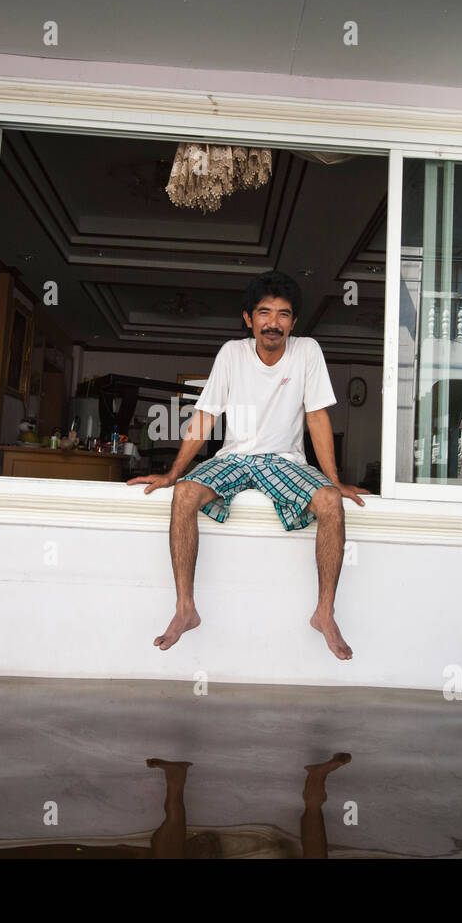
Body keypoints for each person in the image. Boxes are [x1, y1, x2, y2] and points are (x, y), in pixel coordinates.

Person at [128, 270, 368, 660]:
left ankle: (325, 613)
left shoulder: (307, 351)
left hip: (283, 461)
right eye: (264, 312)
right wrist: (174, 473)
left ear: (294, 321)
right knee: (186, 492)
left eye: (284, 314)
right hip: (235, 458)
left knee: (329, 503)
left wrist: (334, 480)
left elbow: (317, 417)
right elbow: (205, 416)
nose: (273, 322)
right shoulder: (231, 353)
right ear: (248, 319)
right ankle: (185, 609)